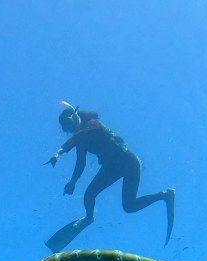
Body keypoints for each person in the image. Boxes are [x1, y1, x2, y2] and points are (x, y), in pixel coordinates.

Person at [44, 101, 175, 245]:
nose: (71, 129)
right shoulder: (81, 136)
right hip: (112, 167)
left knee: (129, 206)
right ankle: (89, 218)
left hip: (129, 163)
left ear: (75, 116)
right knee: (90, 195)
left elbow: (78, 146)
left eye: (70, 123)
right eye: (67, 129)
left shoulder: (92, 124)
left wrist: (62, 159)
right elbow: (79, 158)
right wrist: (60, 159)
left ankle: (165, 195)